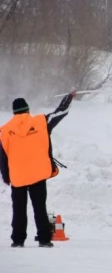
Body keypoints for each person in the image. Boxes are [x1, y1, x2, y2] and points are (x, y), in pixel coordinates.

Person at [0, 91, 76, 248]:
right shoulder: (41, 122)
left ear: (14, 113)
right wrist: (68, 98)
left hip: (18, 176)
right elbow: (59, 113)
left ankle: (18, 240)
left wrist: (6, 177)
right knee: (40, 207)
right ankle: (44, 239)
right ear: (28, 110)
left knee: (18, 209)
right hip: (38, 174)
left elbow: (3, 157)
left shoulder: (5, 130)